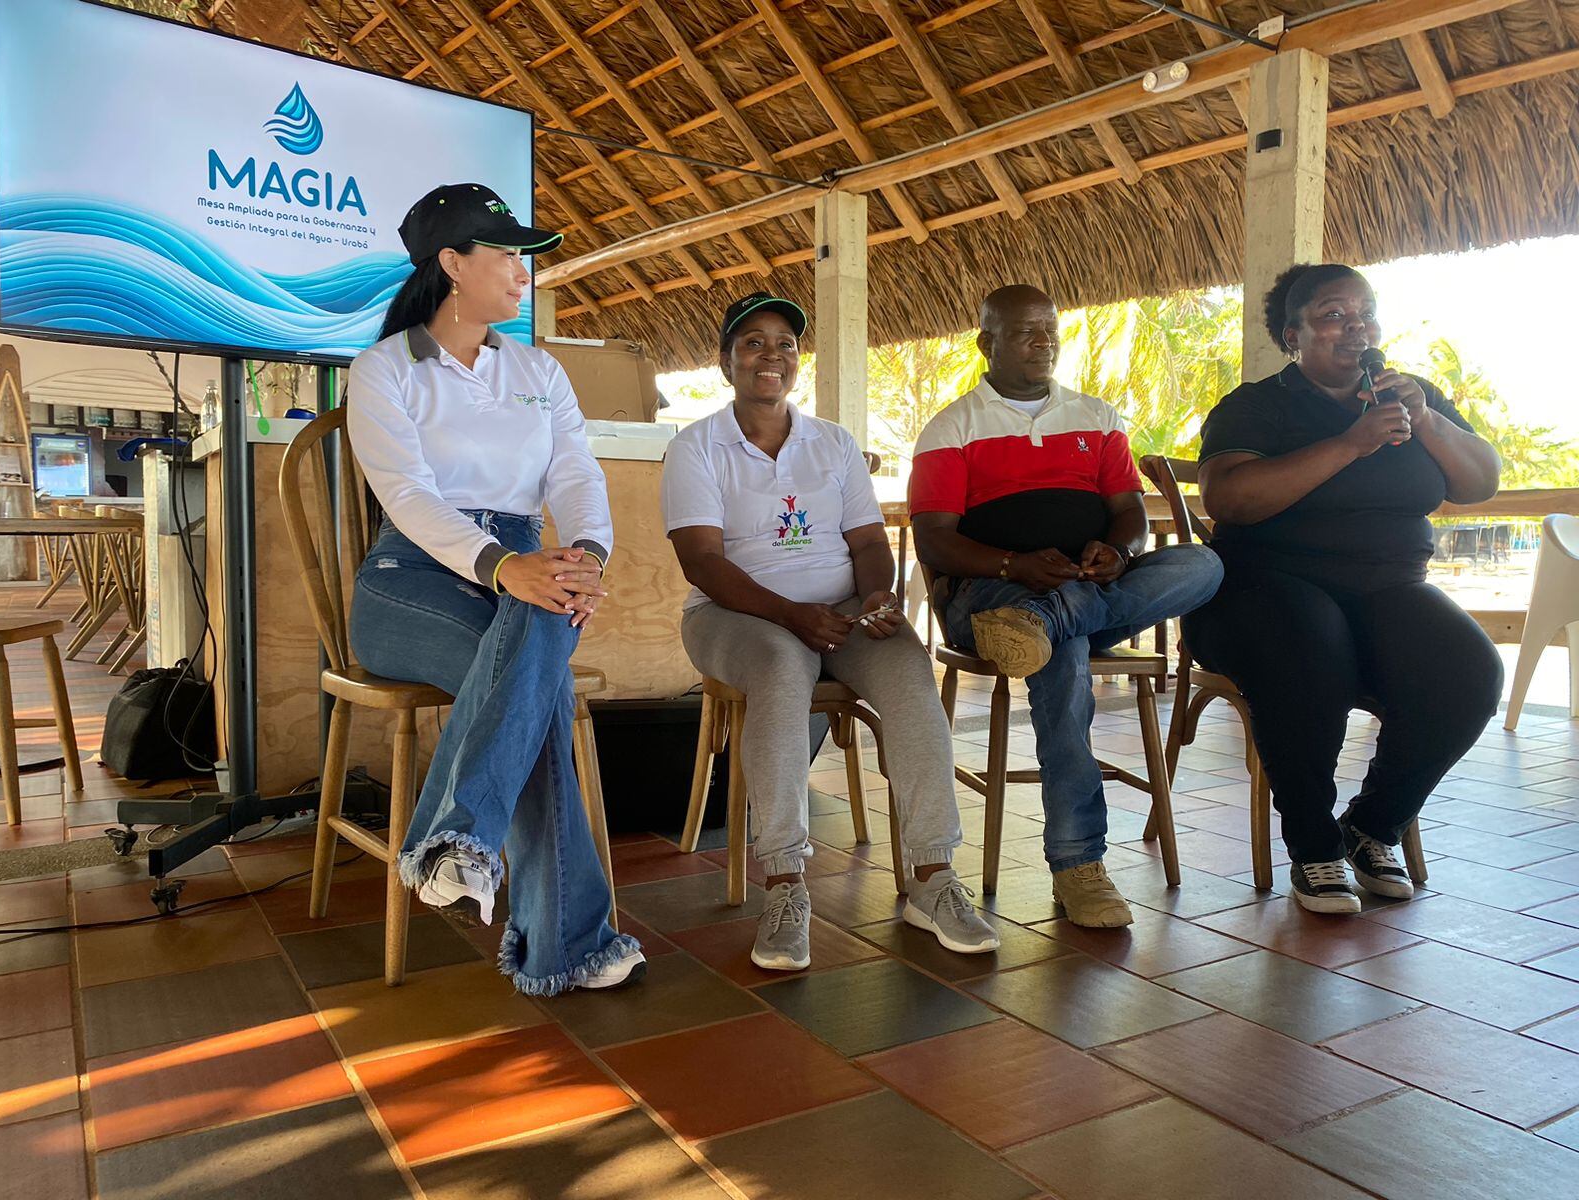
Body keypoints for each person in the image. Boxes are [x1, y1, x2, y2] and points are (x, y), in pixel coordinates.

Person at [344, 183, 642, 993]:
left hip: (521, 570)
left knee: (530, 653)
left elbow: (576, 470)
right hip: (410, 577)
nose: (523, 271)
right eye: (507, 254)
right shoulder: (383, 369)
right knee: (531, 671)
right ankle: (568, 943)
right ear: (451, 264)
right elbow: (406, 497)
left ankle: (455, 842)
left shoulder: (539, 369)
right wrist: (504, 566)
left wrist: (584, 554)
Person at [662, 292, 1000, 971]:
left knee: (908, 670)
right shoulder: (696, 447)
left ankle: (932, 878)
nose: (772, 356)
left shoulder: (833, 443)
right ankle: (786, 884)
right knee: (782, 668)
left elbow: (869, 540)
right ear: (727, 359)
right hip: (735, 616)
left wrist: (878, 595)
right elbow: (702, 560)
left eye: (785, 344)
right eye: (754, 342)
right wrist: (790, 616)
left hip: (841, 610)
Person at [1182, 262, 1502, 914]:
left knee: (1469, 672)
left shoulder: (1412, 395)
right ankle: (1312, 845)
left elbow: (1480, 483)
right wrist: (1351, 444)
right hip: (1262, 593)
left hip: (1388, 590)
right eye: (1334, 314)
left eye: (1365, 313)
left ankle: (1372, 825)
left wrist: (1429, 422)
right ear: (1292, 333)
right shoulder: (1257, 406)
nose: (1356, 327)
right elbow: (1230, 498)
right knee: (1311, 647)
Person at [909, 284, 1223, 928]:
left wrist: (1119, 552)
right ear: (986, 344)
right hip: (991, 596)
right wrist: (1015, 566)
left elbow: (1129, 515)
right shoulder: (952, 427)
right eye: (1025, 331)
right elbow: (935, 542)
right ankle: (1078, 864)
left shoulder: (1098, 418)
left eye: (1050, 329)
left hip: (1078, 594)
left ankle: (1055, 620)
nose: (1043, 341)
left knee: (1204, 562)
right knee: (1065, 658)